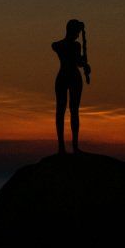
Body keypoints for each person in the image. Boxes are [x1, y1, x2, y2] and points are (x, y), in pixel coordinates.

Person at [52, 19, 91, 153]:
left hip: (65, 77)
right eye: (77, 32)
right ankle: (65, 146)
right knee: (66, 111)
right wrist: (84, 64)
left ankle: (67, 146)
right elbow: (78, 62)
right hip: (71, 77)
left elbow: (79, 62)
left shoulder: (63, 45)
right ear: (72, 31)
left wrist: (85, 65)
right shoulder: (73, 46)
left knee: (69, 111)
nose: (78, 35)